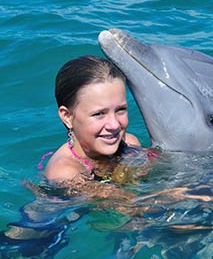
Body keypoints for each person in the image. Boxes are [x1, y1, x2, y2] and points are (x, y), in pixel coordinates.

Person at [43, 55, 142, 187]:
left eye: (120, 110)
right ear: (67, 117)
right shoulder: (65, 172)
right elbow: (124, 204)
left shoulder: (130, 144)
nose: (114, 125)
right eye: (99, 113)